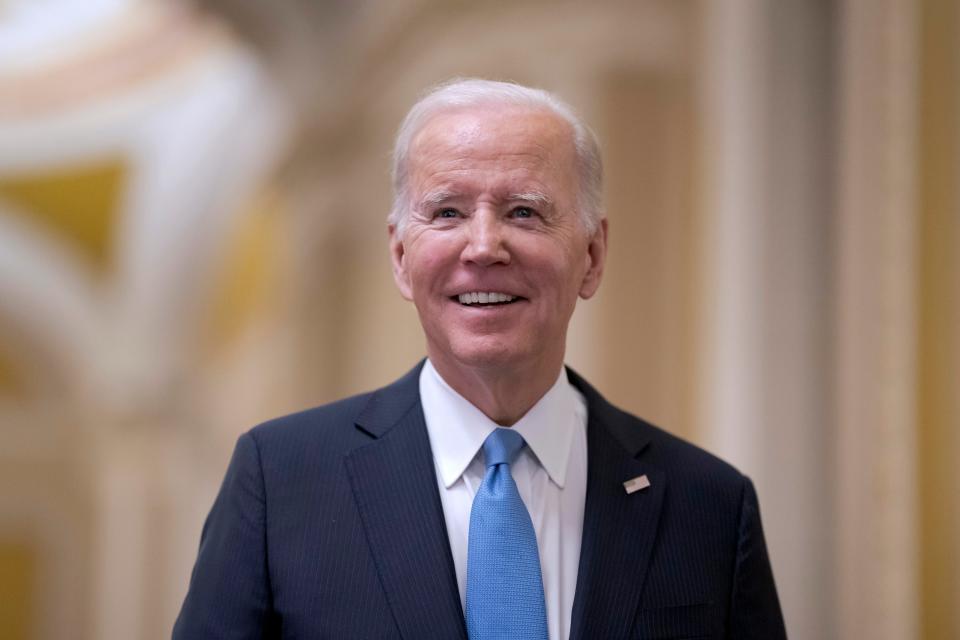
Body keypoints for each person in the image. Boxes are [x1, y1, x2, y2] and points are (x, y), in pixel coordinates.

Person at [174, 78, 787, 639]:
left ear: (593, 256)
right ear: (400, 257)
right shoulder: (280, 483)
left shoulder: (708, 505)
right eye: (448, 212)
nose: (485, 245)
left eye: (524, 211)